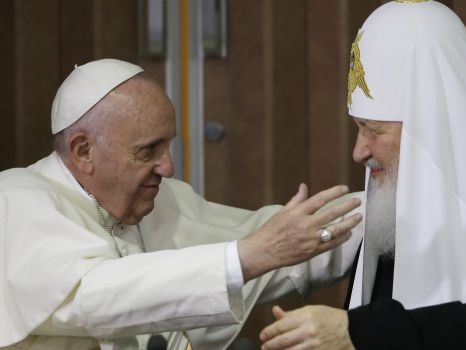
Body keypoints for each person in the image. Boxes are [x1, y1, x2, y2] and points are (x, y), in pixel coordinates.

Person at [0, 59, 364, 350]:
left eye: (169, 146)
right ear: (84, 151)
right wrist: (250, 255)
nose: (169, 167)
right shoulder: (17, 199)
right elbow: (94, 295)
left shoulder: (163, 199)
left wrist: (388, 208)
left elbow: (272, 245)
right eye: (149, 150)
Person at [259, 1, 466, 349]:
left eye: (373, 130)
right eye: (358, 128)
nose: (359, 152)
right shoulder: (394, 214)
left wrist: (359, 333)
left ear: (429, 128)